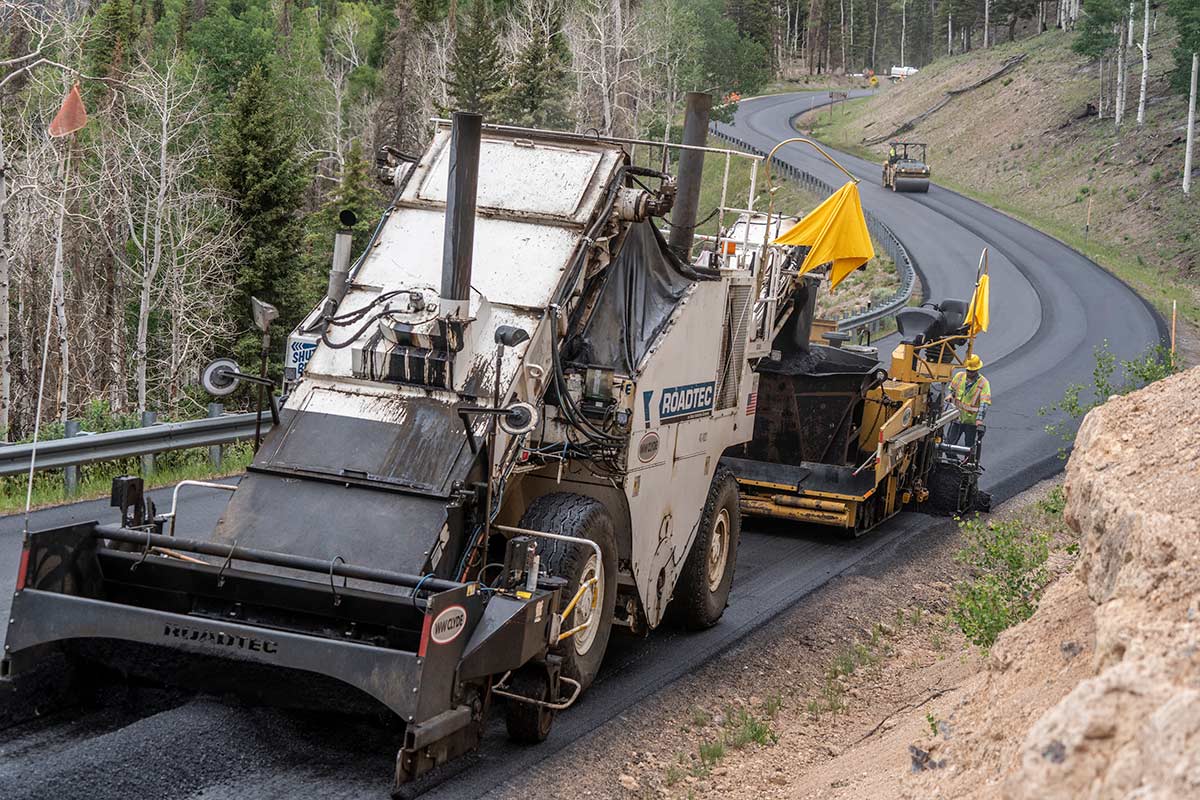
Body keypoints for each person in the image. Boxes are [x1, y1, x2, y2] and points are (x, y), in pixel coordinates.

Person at [946, 354, 991, 455]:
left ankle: (966, 466)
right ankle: (954, 464)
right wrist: (949, 395)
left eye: (972, 371)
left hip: (971, 422)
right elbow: (952, 390)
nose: (969, 373)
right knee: (949, 445)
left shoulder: (983, 383)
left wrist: (979, 420)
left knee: (969, 448)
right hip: (957, 418)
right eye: (968, 370)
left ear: (977, 369)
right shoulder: (959, 377)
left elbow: (984, 403)